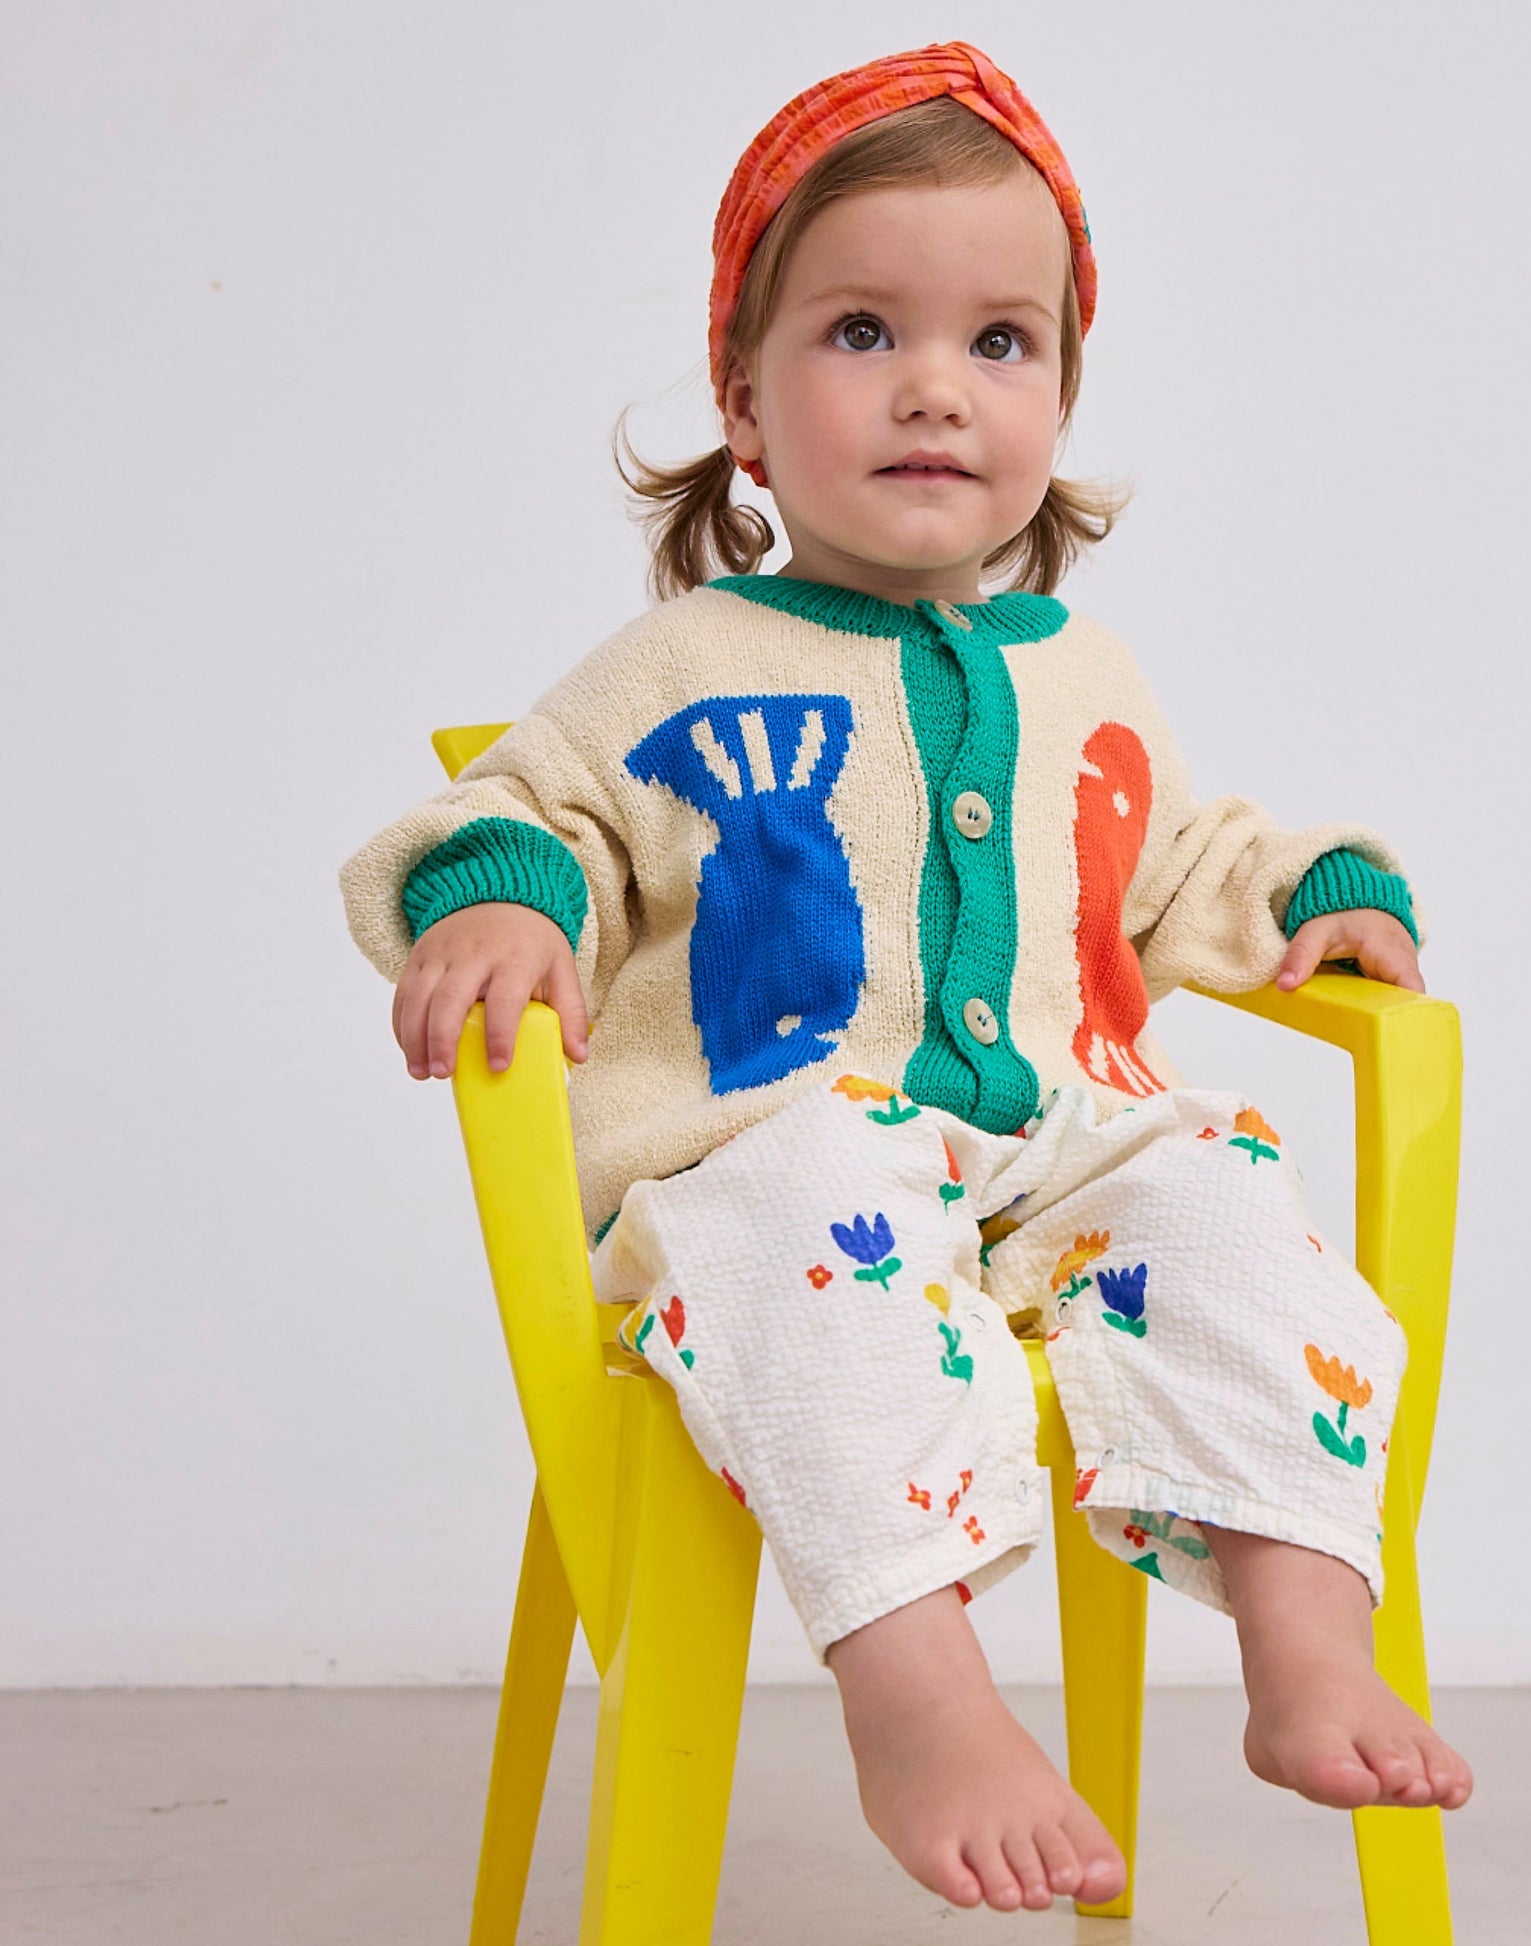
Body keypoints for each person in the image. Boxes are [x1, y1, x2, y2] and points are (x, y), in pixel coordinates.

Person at [340, 39, 1472, 1917]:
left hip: (1060, 1166)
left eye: (1000, 345)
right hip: (778, 1171)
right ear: (746, 396)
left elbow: (1182, 857)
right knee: (814, 1223)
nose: (936, 388)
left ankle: (1300, 1628)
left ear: (1057, 393)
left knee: (1236, 1204)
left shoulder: (1082, 670)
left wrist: (1325, 892)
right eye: (862, 330)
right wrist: (509, 902)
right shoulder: (680, 665)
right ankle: (919, 1686)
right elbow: (534, 807)